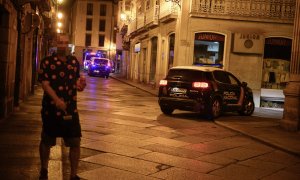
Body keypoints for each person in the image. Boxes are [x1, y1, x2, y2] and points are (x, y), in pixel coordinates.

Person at [38, 48, 86, 180]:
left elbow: (75, 82)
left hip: (71, 109)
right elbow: (45, 84)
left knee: (75, 141)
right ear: (56, 43)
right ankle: (44, 170)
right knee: (46, 140)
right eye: (60, 42)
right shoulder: (47, 62)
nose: (63, 46)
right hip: (51, 109)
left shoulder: (74, 61)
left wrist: (81, 85)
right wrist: (57, 100)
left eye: (65, 42)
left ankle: (73, 174)